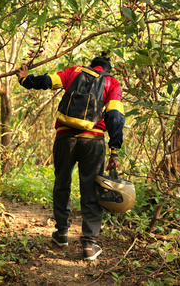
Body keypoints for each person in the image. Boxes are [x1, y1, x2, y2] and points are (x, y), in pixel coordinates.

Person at [16, 52, 125, 261]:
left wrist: (24, 79)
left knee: (62, 183)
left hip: (65, 137)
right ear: (107, 68)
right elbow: (115, 117)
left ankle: (62, 233)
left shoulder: (74, 71)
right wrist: (115, 150)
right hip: (93, 141)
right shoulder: (111, 82)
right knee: (90, 189)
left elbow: (46, 81)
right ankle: (89, 245)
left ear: (91, 65)